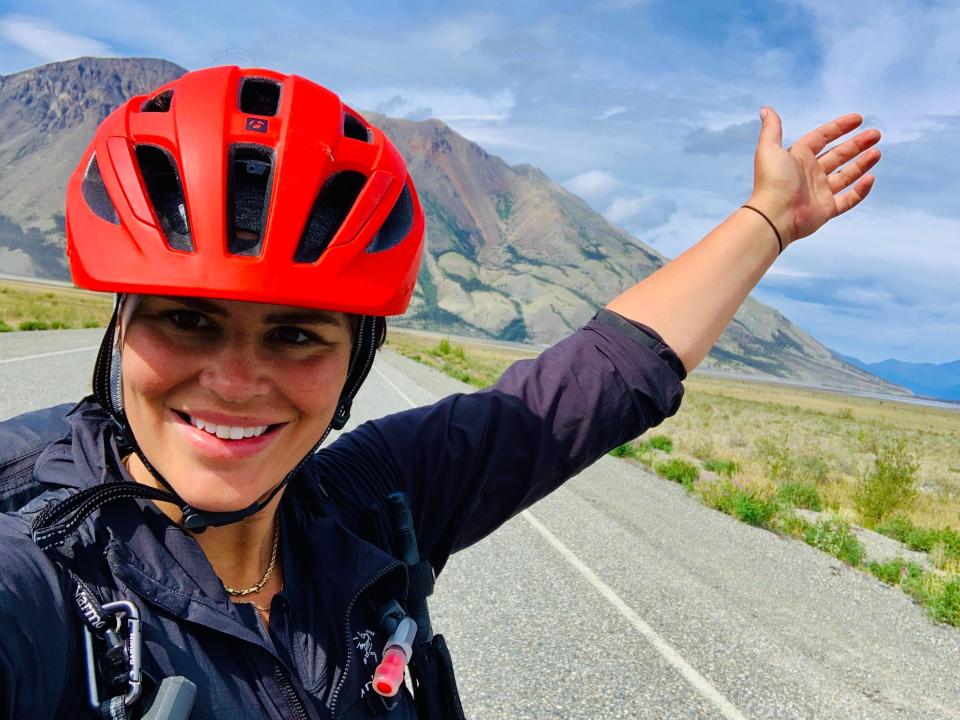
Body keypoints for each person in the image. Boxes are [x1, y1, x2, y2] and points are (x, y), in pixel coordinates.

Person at [0, 65, 879, 719]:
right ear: (121, 325)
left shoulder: (358, 509)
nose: (234, 381)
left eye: (297, 333)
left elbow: (591, 384)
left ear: (357, 358)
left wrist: (768, 219)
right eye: (188, 321)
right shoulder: (39, 574)